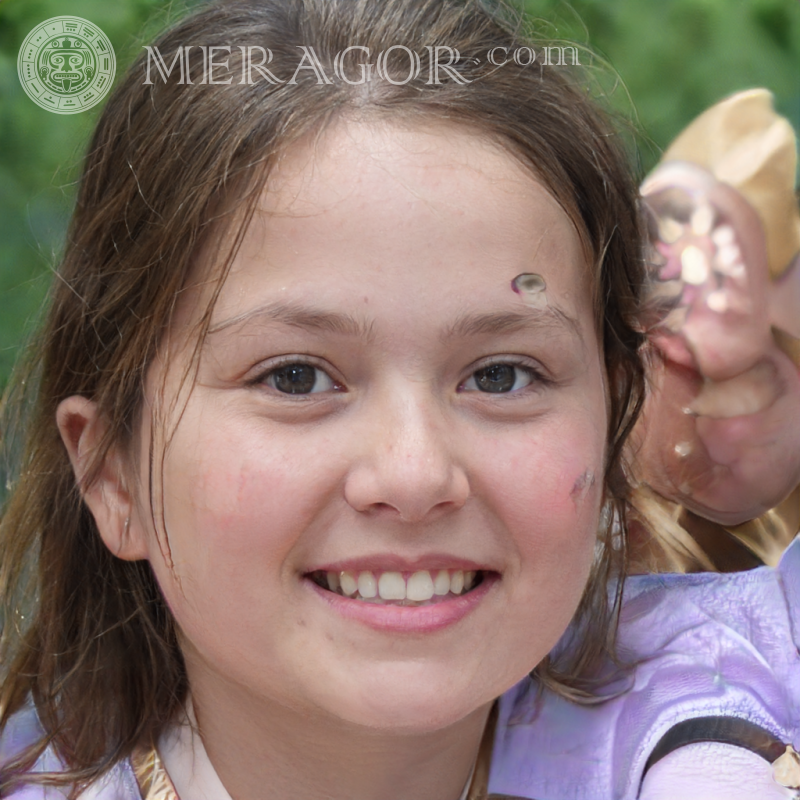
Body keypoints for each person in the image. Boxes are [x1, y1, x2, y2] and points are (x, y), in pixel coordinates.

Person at [0, 1, 797, 799]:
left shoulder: (738, 694)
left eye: (500, 375)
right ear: (113, 474)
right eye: (295, 378)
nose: (414, 476)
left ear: (610, 422)